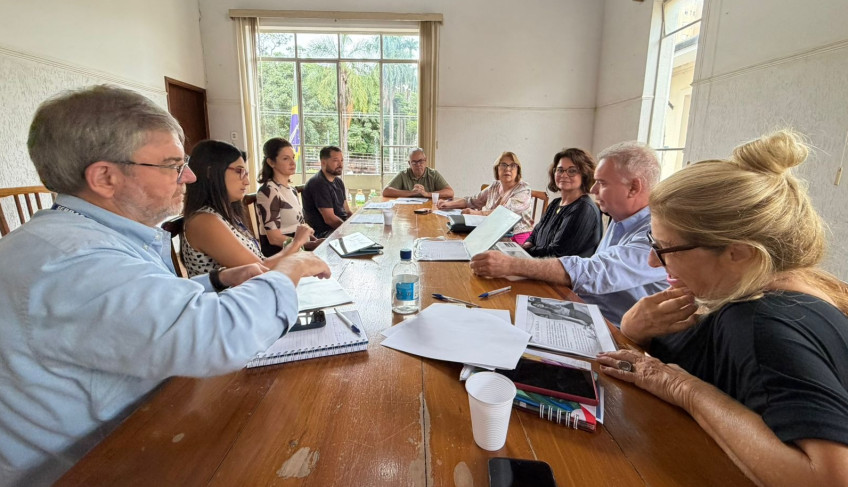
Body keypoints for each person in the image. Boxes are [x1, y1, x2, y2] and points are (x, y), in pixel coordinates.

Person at [0, 85, 330, 486]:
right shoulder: (73, 261)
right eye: (173, 165)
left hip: (132, 433)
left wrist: (217, 281)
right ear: (105, 177)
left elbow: (148, 303)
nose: (189, 176)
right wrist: (290, 268)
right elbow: (215, 338)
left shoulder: (89, 236)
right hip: (82, 467)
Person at [597, 130, 848, 487]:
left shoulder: (763, 324)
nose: (654, 261)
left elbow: (828, 477)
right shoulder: (782, 289)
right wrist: (635, 330)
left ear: (738, 253)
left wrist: (685, 389)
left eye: (666, 248)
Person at [469, 142, 667, 324]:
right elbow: (538, 236)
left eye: (603, 183)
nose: (594, 189)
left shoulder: (657, 234)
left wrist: (510, 264)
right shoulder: (618, 218)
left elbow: (594, 272)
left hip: (613, 328)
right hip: (583, 308)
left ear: (634, 187)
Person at [180, 140, 314, 277]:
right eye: (239, 171)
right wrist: (297, 243)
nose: (247, 181)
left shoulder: (226, 215)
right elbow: (259, 271)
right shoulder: (205, 221)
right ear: (211, 172)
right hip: (233, 296)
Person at [437, 151, 533, 244]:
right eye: (503, 165)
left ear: (518, 170)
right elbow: (473, 201)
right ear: (497, 169)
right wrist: (448, 204)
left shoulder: (524, 189)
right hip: (492, 232)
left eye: (512, 165)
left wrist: (477, 213)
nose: (507, 169)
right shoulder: (495, 186)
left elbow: (504, 213)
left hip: (516, 238)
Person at [523, 148, 602, 257]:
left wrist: (525, 252)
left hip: (565, 272)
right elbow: (537, 231)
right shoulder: (555, 203)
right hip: (540, 264)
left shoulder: (584, 208)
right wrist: (528, 243)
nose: (564, 175)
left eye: (572, 170)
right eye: (560, 170)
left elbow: (558, 253)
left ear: (584, 174)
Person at [255, 137, 322, 256]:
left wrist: (315, 241)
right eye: (286, 158)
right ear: (271, 162)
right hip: (281, 254)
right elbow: (274, 239)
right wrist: (306, 245)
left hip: (298, 248)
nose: (292, 162)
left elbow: (298, 225)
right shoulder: (268, 191)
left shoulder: (292, 190)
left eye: (293, 157)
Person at [301, 146, 353, 238]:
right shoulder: (318, 183)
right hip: (324, 233)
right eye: (335, 160)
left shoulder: (338, 182)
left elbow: (347, 211)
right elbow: (330, 219)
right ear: (323, 162)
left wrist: (356, 225)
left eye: (342, 160)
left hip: (339, 228)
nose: (340, 165)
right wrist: (349, 231)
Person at [381, 148, 454, 199]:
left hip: (429, 210)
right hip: (407, 211)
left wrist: (426, 194)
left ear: (425, 161)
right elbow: (386, 191)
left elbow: (450, 192)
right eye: (414, 162)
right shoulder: (403, 174)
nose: (418, 165)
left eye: (421, 161)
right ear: (409, 163)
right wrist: (412, 193)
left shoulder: (433, 174)